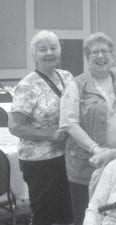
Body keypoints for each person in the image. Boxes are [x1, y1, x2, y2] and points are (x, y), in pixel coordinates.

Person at [59, 32, 116, 225]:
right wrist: (96, 149)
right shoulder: (76, 85)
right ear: (87, 57)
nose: (101, 56)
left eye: (105, 51)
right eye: (95, 52)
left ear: (112, 56)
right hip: (87, 164)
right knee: (87, 214)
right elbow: (69, 124)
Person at [8, 30, 73, 225]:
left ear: (59, 51)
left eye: (53, 48)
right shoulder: (28, 85)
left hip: (66, 156)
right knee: (44, 214)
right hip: (39, 162)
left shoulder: (67, 77)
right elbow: (15, 126)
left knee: (66, 212)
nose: (49, 53)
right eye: (42, 49)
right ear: (34, 55)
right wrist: (50, 135)